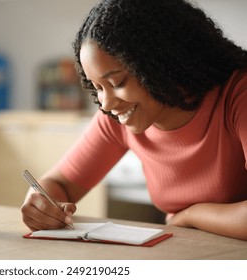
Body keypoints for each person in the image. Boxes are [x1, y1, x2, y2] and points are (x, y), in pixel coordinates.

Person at [21, 0, 247, 240]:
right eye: (97, 87)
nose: (106, 104)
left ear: (160, 63)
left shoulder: (238, 96)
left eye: (117, 83)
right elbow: (62, 183)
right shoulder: (119, 117)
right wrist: (40, 204)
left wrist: (192, 216)